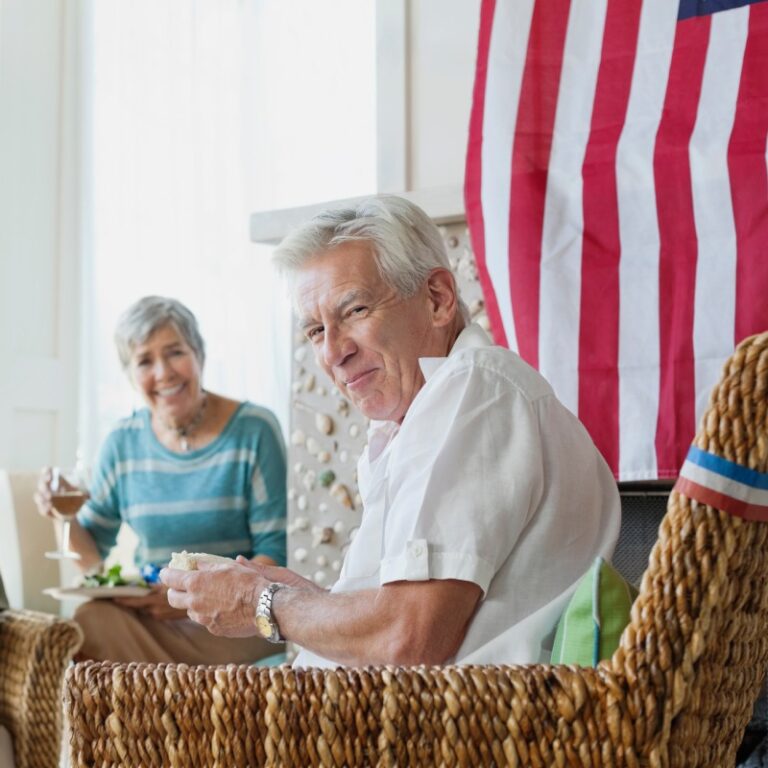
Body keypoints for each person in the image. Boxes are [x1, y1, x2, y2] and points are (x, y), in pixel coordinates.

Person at [161, 196, 621, 667]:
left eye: (355, 310)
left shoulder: (476, 388)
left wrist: (263, 605)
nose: (333, 353)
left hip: (456, 732)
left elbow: (408, 638)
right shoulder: (411, 420)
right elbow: (402, 617)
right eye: (317, 330)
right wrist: (292, 595)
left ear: (437, 299)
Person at [35, 295, 287, 664]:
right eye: (144, 361)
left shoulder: (254, 431)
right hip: (154, 618)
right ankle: (165, 700)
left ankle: (166, 701)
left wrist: (194, 598)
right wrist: (62, 517)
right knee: (89, 619)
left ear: (198, 354)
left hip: (234, 618)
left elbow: (275, 553)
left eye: (175, 352)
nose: (163, 372)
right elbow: (92, 553)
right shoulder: (121, 444)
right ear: (131, 375)